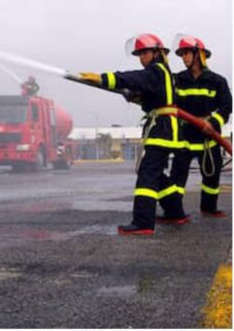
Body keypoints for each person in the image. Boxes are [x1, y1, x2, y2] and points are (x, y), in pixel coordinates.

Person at [79, 33, 186, 235]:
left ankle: (143, 223)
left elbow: (132, 78)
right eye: (139, 54)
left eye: (144, 52)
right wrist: (134, 95)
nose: (141, 57)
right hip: (165, 127)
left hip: (162, 128)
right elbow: (150, 96)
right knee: (155, 173)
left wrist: (103, 78)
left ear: (156, 52)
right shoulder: (162, 73)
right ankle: (175, 211)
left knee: (147, 175)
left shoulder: (156, 71)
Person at [159, 36, 231, 220]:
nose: (183, 58)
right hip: (185, 137)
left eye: (187, 53)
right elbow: (163, 94)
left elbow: (226, 107)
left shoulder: (217, 81)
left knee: (212, 176)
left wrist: (213, 123)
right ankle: (173, 211)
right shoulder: (178, 80)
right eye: (182, 54)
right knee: (177, 176)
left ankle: (209, 208)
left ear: (199, 55)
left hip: (209, 138)